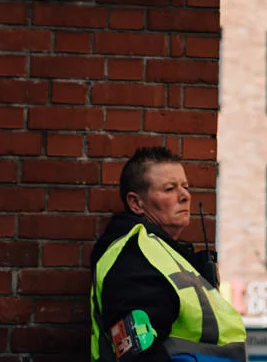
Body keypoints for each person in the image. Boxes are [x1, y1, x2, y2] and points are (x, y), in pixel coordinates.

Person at [90, 146, 248, 362]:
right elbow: (137, 354)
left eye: (185, 186)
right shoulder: (132, 255)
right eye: (169, 189)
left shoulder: (169, 254)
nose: (185, 196)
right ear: (136, 203)